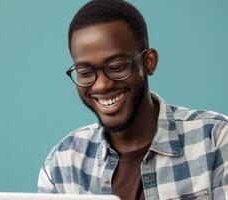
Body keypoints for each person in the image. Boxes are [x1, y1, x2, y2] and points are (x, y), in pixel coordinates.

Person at [37, 0, 228, 199]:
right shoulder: (62, 163)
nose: (101, 85)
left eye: (117, 67)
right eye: (85, 72)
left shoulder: (216, 140)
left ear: (149, 62)